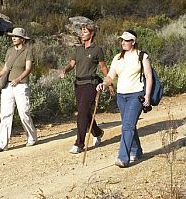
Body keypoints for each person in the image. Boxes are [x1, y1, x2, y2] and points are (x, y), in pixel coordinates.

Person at [98, 30, 153, 167]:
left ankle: (123, 157)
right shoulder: (117, 58)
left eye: (126, 40)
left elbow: (149, 76)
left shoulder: (142, 56)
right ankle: (137, 151)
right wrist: (104, 84)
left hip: (136, 95)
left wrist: (147, 96)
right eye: (122, 40)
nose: (123, 42)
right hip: (121, 96)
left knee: (127, 126)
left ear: (133, 42)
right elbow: (111, 76)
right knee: (129, 124)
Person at [58, 22, 111, 154]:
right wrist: (65, 70)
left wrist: (109, 83)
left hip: (91, 84)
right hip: (78, 84)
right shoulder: (78, 49)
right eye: (81, 31)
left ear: (92, 34)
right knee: (85, 113)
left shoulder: (97, 50)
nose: (82, 33)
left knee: (81, 113)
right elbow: (71, 64)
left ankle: (79, 144)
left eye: (85, 31)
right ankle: (97, 132)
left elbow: (103, 67)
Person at [0, 27, 37, 152]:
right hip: (7, 86)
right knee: (5, 114)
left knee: (23, 112)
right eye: (12, 36)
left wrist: (18, 79)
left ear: (22, 39)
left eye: (16, 36)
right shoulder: (9, 51)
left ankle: (31, 137)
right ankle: (1, 143)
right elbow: (5, 69)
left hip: (21, 85)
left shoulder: (28, 51)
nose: (13, 38)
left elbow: (28, 69)